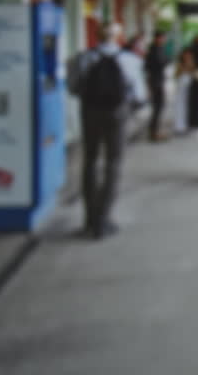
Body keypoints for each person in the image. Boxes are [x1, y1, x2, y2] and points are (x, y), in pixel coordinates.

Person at [67, 22, 146, 239]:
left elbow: (73, 87)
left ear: (97, 36)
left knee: (90, 161)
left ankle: (90, 218)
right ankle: (104, 219)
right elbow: (138, 94)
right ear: (118, 36)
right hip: (117, 113)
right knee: (113, 162)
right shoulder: (130, 59)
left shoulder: (83, 58)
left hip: (90, 111)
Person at [144, 30, 169, 141]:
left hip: (157, 80)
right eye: (163, 38)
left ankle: (155, 130)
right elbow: (160, 62)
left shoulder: (157, 49)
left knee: (159, 106)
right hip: (156, 81)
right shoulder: (154, 50)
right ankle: (154, 131)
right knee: (158, 106)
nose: (164, 40)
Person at [172, 47, 193, 135]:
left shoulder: (191, 62)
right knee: (180, 106)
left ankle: (184, 125)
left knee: (186, 106)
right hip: (181, 85)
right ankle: (179, 126)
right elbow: (176, 75)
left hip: (187, 85)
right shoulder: (179, 64)